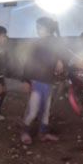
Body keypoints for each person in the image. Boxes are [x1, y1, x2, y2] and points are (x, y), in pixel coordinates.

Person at [20, 17, 66, 145]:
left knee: (46, 109)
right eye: (37, 28)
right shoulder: (36, 44)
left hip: (49, 81)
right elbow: (28, 63)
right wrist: (25, 80)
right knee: (33, 110)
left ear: (49, 29)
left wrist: (60, 62)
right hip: (36, 80)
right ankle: (24, 131)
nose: (38, 30)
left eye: (40, 28)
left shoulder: (55, 43)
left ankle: (43, 133)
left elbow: (61, 56)